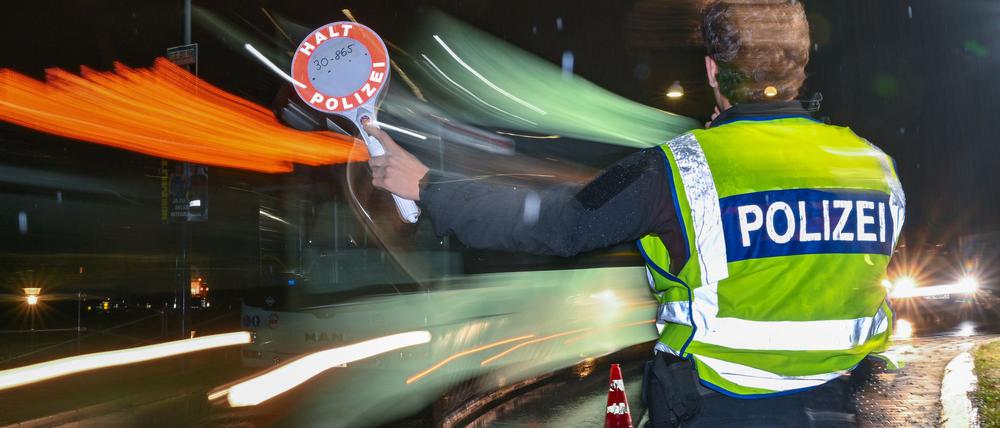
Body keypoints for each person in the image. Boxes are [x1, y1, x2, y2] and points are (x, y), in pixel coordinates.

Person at [365, 1, 905, 426]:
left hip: (719, 410)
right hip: (838, 405)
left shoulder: (683, 167)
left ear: (713, 70)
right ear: (801, 69)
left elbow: (559, 225)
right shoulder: (874, 166)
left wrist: (429, 187)